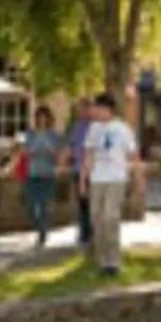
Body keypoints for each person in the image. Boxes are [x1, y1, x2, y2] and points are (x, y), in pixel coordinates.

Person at [83, 91, 140, 276]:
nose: (95, 111)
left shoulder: (123, 129)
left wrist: (138, 178)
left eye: (98, 108)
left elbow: (133, 155)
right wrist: (83, 179)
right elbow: (89, 154)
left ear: (108, 109)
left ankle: (114, 261)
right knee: (96, 218)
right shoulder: (93, 129)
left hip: (116, 178)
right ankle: (103, 261)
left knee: (110, 217)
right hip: (97, 179)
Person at [18, 105, 66, 248]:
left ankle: (42, 233)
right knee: (32, 205)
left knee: (44, 205)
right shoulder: (30, 134)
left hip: (48, 173)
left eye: (45, 117)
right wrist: (31, 150)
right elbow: (23, 151)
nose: (42, 120)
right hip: (32, 173)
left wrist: (51, 153)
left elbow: (60, 153)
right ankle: (39, 226)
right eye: (39, 117)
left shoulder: (54, 135)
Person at [65, 97, 95, 247]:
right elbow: (71, 145)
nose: (82, 112)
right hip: (78, 169)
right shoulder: (77, 126)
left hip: (94, 171)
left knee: (92, 203)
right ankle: (84, 233)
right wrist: (68, 157)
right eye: (81, 109)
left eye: (85, 108)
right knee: (82, 202)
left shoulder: (96, 126)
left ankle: (91, 232)